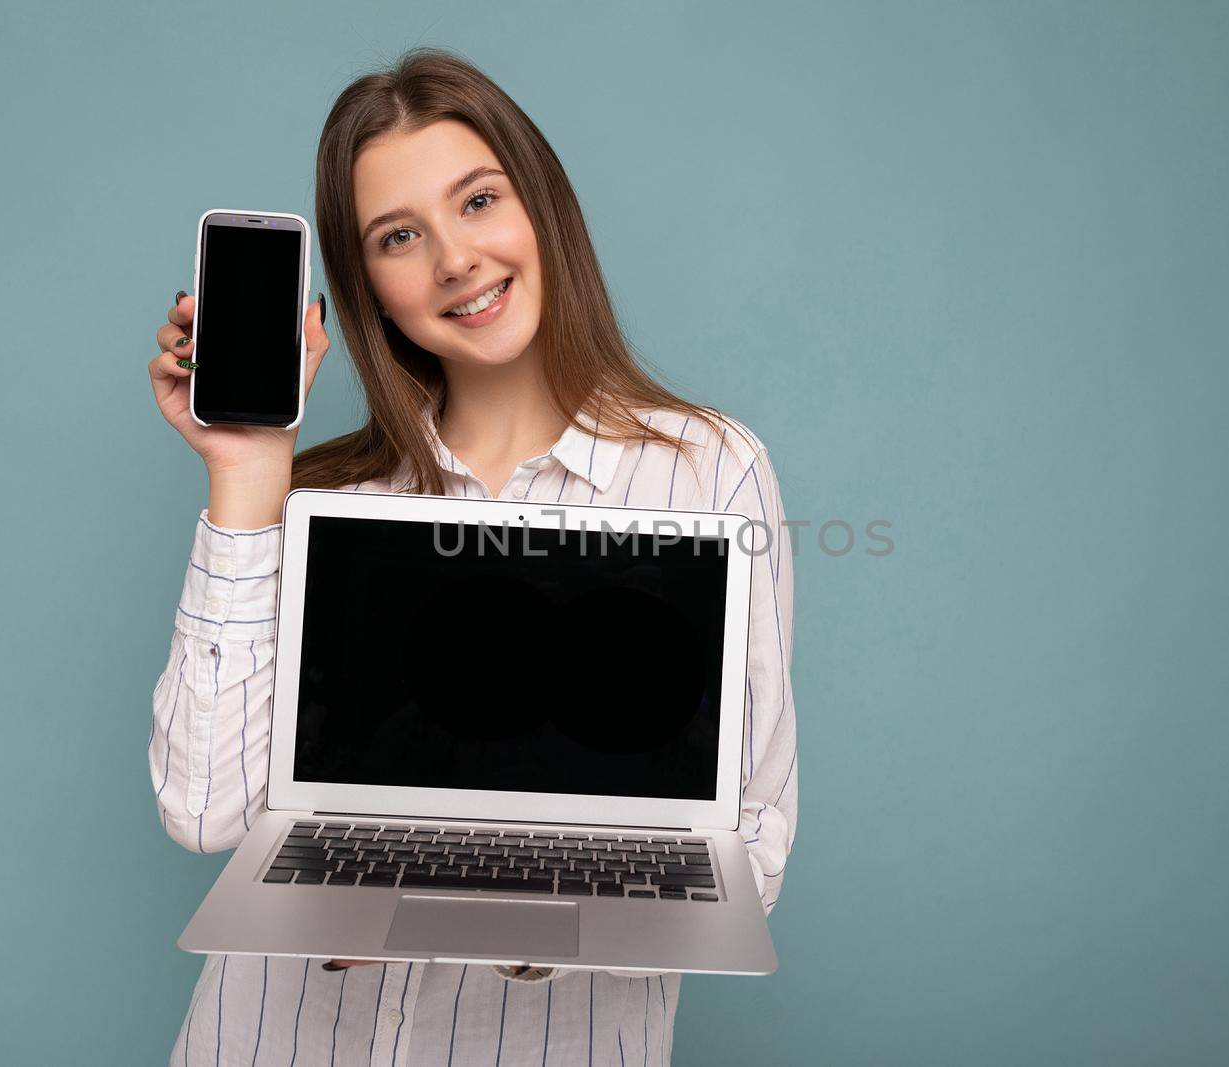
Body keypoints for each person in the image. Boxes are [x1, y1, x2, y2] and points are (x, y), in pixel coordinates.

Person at [146, 48, 797, 1066]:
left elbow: (751, 843)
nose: (453, 258)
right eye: (400, 236)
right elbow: (202, 810)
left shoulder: (710, 469)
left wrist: (505, 919)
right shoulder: (319, 499)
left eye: (478, 199)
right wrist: (244, 473)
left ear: (541, 207)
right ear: (369, 288)